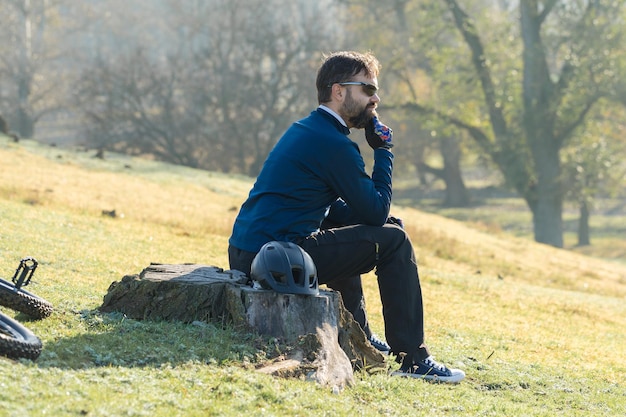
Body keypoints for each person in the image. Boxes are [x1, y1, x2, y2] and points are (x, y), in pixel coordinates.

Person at [228, 51, 465, 383]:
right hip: (276, 259)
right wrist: (383, 151)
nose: (376, 98)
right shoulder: (333, 144)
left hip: (254, 251)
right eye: (367, 89)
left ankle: (360, 339)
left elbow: (334, 210)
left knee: (382, 228)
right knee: (395, 241)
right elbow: (374, 209)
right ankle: (414, 359)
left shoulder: (310, 129)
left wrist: (381, 222)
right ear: (339, 91)